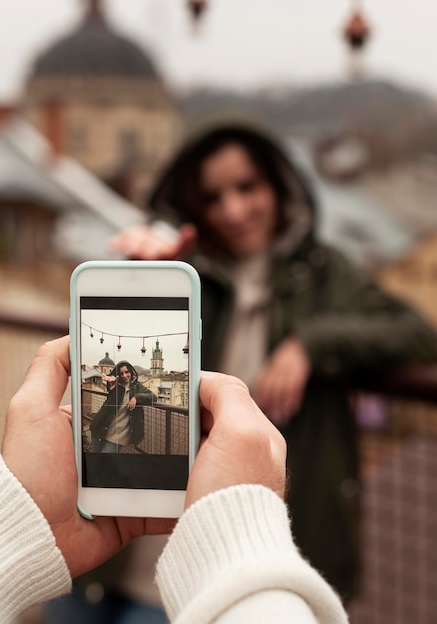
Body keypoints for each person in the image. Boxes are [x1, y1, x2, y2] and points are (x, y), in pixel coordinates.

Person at [108, 122, 437, 600]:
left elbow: (420, 334)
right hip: (127, 546)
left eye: (247, 187)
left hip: (240, 558)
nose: (234, 210)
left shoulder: (326, 274)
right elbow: (122, 374)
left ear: (278, 186)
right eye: (213, 197)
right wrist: (142, 280)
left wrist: (312, 343)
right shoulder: (183, 270)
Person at [0, 336, 348, 624]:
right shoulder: (115, 382)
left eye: (130, 372)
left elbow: (146, 393)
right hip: (106, 535)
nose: (127, 375)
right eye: (125, 372)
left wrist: (9, 538)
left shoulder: (141, 385)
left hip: (143, 566)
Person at [90, 360, 156, 453]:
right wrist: (112, 386)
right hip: (100, 428)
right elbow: (111, 394)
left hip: (118, 436)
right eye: (121, 374)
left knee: (105, 462)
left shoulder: (137, 387)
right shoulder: (116, 384)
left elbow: (153, 397)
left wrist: (136, 397)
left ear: (131, 372)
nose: (124, 376)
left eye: (126, 372)